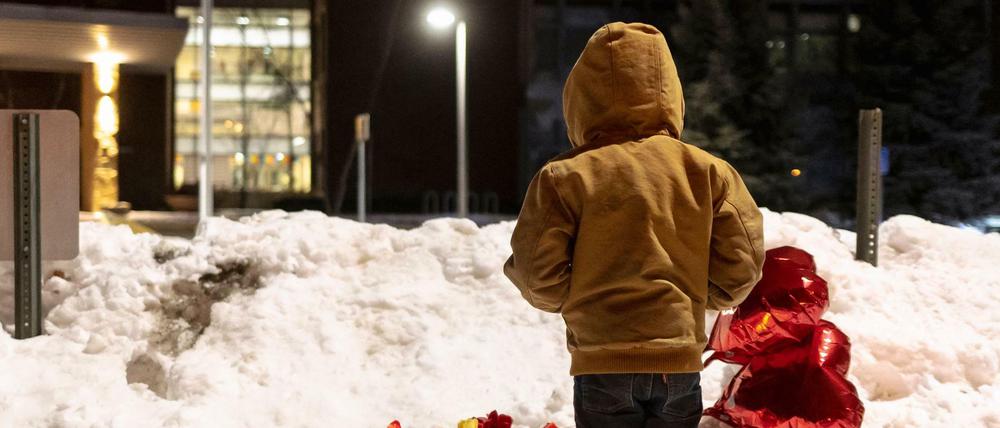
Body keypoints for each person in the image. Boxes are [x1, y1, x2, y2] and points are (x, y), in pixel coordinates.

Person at [503, 22, 764, 428]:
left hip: (602, 362)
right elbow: (742, 264)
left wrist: (575, 298)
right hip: (678, 364)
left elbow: (536, 273)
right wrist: (701, 295)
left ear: (580, 99)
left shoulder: (565, 176)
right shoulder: (709, 172)